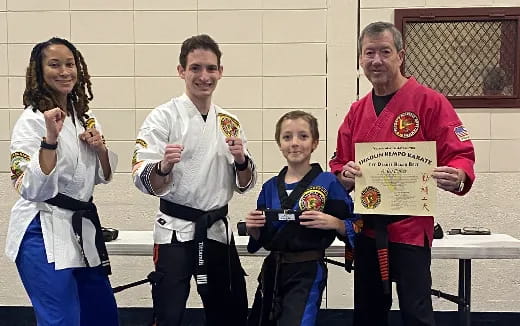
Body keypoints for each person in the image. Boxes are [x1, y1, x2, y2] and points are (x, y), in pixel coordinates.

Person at [329, 22, 476, 326]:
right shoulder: (357, 111)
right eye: (369, 53)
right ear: (360, 59)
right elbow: (339, 165)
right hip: (367, 228)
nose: (377, 60)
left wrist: (459, 176)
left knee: (416, 311)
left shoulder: (430, 102)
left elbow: (461, 153)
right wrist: (345, 175)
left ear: (400, 56)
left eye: (385, 52)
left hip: (410, 227)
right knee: (368, 313)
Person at [132, 34, 257, 326]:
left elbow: (245, 183)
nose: (204, 76)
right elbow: (139, 174)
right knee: (168, 312)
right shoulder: (162, 117)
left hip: (215, 230)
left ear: (220, 72)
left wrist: (241, 162)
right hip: (175, 231)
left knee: (230, 310)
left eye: (211, 68)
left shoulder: (229, 122)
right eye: (196, 68)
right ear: (181, 71)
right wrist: (162, 167)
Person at [5, 37, 119, 326]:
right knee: (62, 320)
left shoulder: (85, 117)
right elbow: (29, 187)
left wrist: (101, 149)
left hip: (81, 226)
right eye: (54, 65)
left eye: (70, 64)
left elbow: (102, 177)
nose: (64, 71)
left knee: (102, 315)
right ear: (39, 72)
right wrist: (50, 140)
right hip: (40, 229)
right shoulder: (31, 121)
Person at [246, 111, 360, 326]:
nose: (295, 143)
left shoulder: (327, 183)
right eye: (287, 137)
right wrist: (254, 229)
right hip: (273, 269)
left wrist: (336, 224)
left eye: (303, 136)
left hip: (307, 270)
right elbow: (262, 237)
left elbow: (358, 224)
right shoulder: (270, 187)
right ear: (279, 143)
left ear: (315, 143)